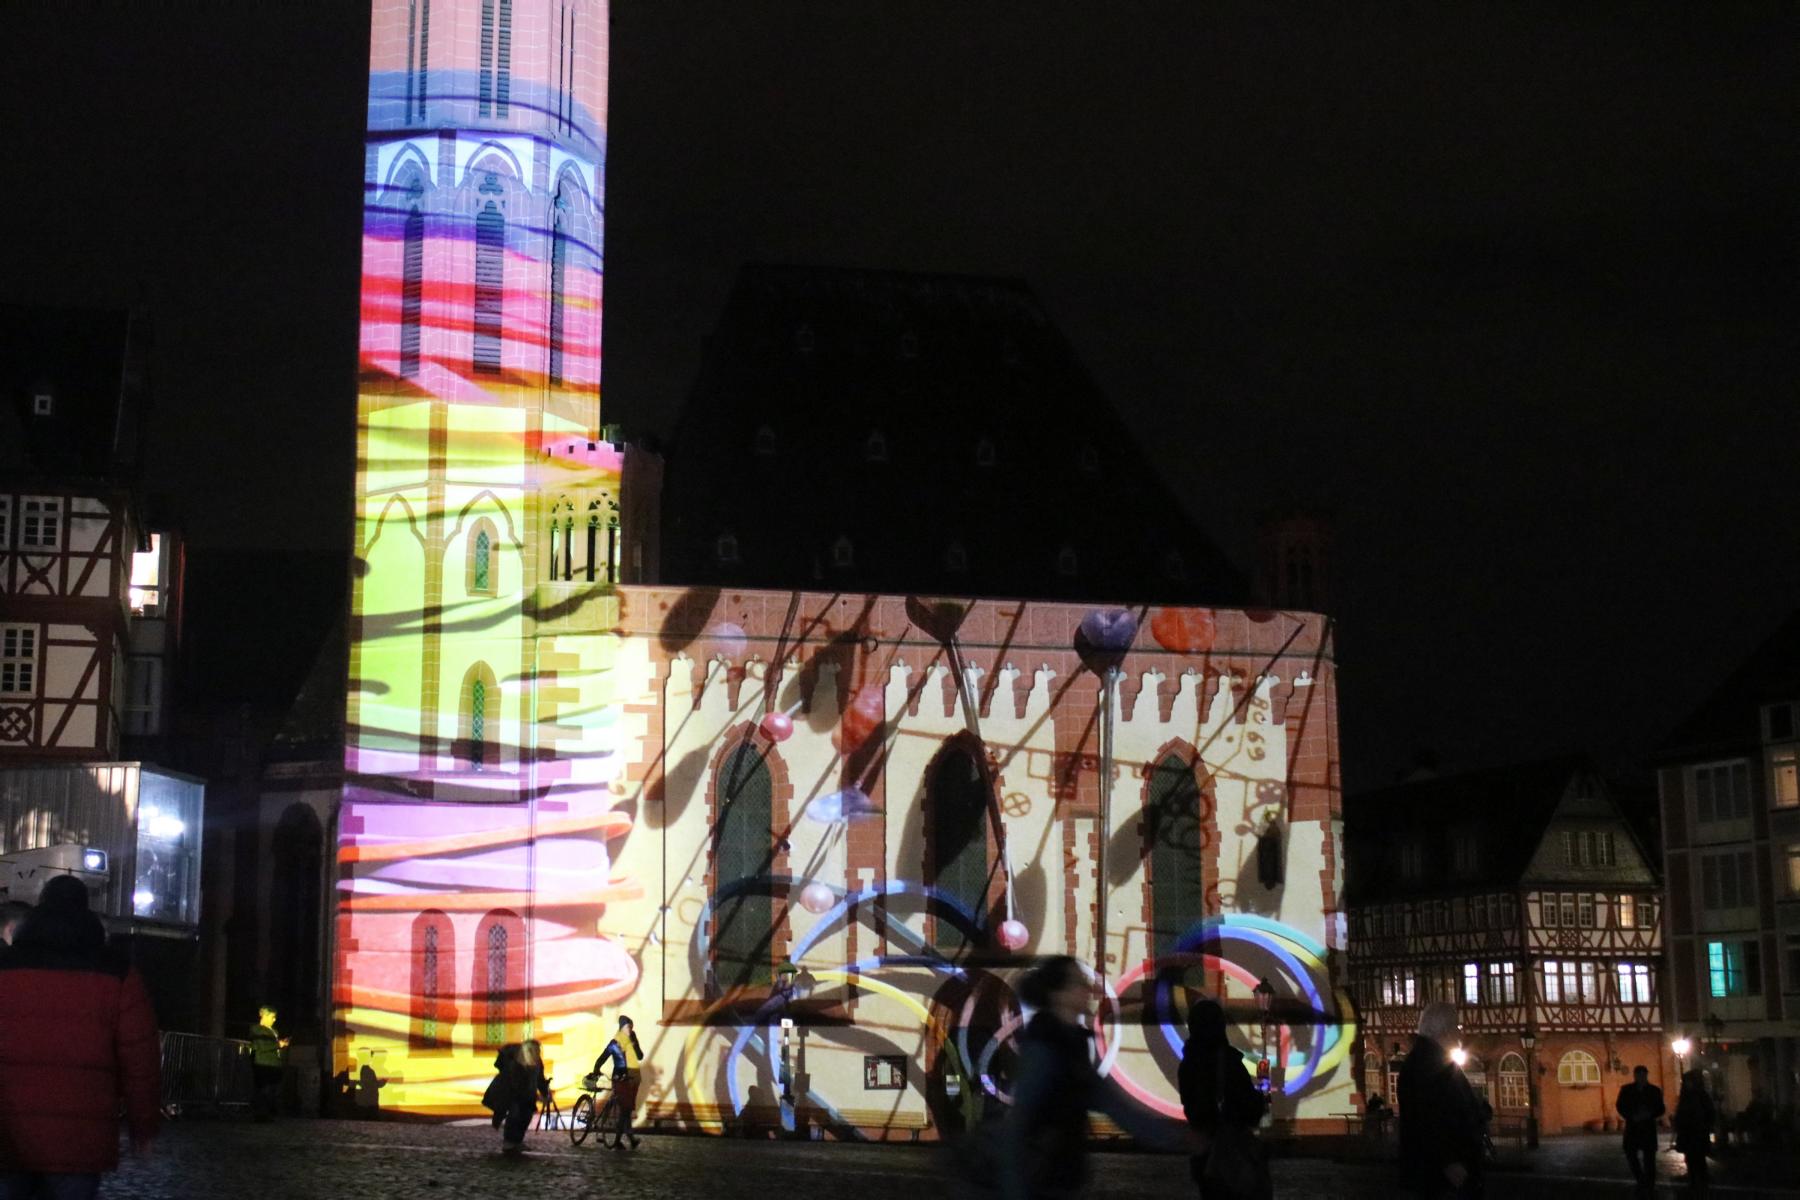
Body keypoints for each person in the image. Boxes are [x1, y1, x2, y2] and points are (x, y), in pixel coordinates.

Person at [0, 874, 160, 1200]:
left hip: (8, 1132)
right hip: (80, 1136)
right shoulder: (117, 972)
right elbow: (140, 1058)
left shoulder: (6, 967)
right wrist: (142, 1126)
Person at [1000, 956, 1188, 1200]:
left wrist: (1176, 1137)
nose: (1088, 989)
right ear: (1059, 994)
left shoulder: (1070, 1045)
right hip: (1043, 1182)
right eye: (1079, 983)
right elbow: (1019, 1125)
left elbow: (1113, 1105)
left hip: (1061, 1178)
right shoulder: (1045, 1048)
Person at [1177, 997, 1270, 1200]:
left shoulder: (1188, 1064)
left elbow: (1191, 1108)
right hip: (1231, 1151)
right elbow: (1249, 1108)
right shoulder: (1228, 1062)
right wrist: (1260, 1100)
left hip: (1204, 1154)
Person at [1396, 1002, 1485, 1198]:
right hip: (1441, 1177)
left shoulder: (1428, 1061)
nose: (1459, 1034)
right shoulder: (1428, 1065)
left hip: (1441, 1173)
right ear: (1444, 1031)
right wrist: (1448, 1161)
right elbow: (1426, 1118)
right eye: (1456, 1028)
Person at [483, 1039, 549, 1153]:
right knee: (515, 1114)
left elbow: (540, 1079)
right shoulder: (515, 1065)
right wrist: (538, 1097)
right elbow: (517, 1086)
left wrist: (545, 1093)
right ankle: (509, 1142)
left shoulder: (537, 1062)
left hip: (527, 1094)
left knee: (526, 1116)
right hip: (510, 1093)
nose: (537, 1054)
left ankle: (517, 1141)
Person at [593, 1015, 644, 1150]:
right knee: (625, 1109)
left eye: (631, 1027)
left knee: (626, 1110)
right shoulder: (614, 1043)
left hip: (632, 1078)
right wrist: (596, 1069)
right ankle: (619, 1140)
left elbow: (640, 1056)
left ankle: (629, 1138)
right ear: (622, 1028)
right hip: (620, 1079)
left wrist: (635, 1044)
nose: (630, 1030)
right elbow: (603, 1057)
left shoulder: (632, 1039)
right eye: (628, 1027)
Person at [1615, 1065, 1666, 1195]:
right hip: (1633, 1127)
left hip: (1648, 1128)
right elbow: (1620, 1106)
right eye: (1639, 1075)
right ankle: (1641, 1180)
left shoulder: (1654, 1090)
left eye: (1643, 1075)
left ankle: (1649, 1184)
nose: (1641, 1077)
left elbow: (1661, 1108)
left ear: (1646, 1075)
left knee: (1649, 1158)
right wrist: (1631, 1116)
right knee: (1631, 1154)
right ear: (1635, 1076)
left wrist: (1650, 1114)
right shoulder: (1627, 1089)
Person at [1672, 1070, 1715, 1196]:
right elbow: (1680, 1114)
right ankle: (1694, 1181)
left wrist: (1705, 1125)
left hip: (1698, 1132)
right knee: (1691, 1158)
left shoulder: (1701, 1096)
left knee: (1699, 1158)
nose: (1687, 1084)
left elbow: (1709, 1113)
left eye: (1689, 1081)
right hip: (1688, 1132)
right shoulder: (1686, 1097)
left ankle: (1701, 1181)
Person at [247, 1006, 289, 1121]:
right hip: (263, 1064)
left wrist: (280, 1045)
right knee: (263, 1090)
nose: (274, 1019)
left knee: (271, 1091)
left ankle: (267, 1114)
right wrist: (278, 1045)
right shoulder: (257, 1029)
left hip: (274, 1064)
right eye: (272, 1017)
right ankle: (260, 1114)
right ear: (263, 1015)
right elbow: (261, 1046)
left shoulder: (274, 1031)